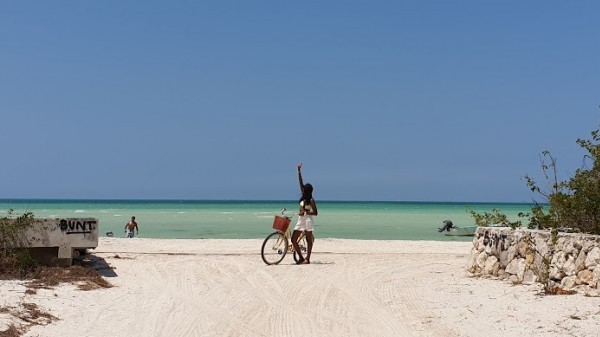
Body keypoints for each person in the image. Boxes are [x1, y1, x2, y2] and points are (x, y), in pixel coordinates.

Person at [291, 163, 317, 264]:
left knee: (308, 240)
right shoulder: (303, 195)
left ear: (307, 191)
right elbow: (300, 182)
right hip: (301, 219)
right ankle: (301, 258)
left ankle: (308, 258)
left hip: (308, 220)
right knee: (293, 240)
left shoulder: (311, 200)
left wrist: (306, 211)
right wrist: (298, 171)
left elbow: (315, 212)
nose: (302, 188)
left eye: (304, 188)